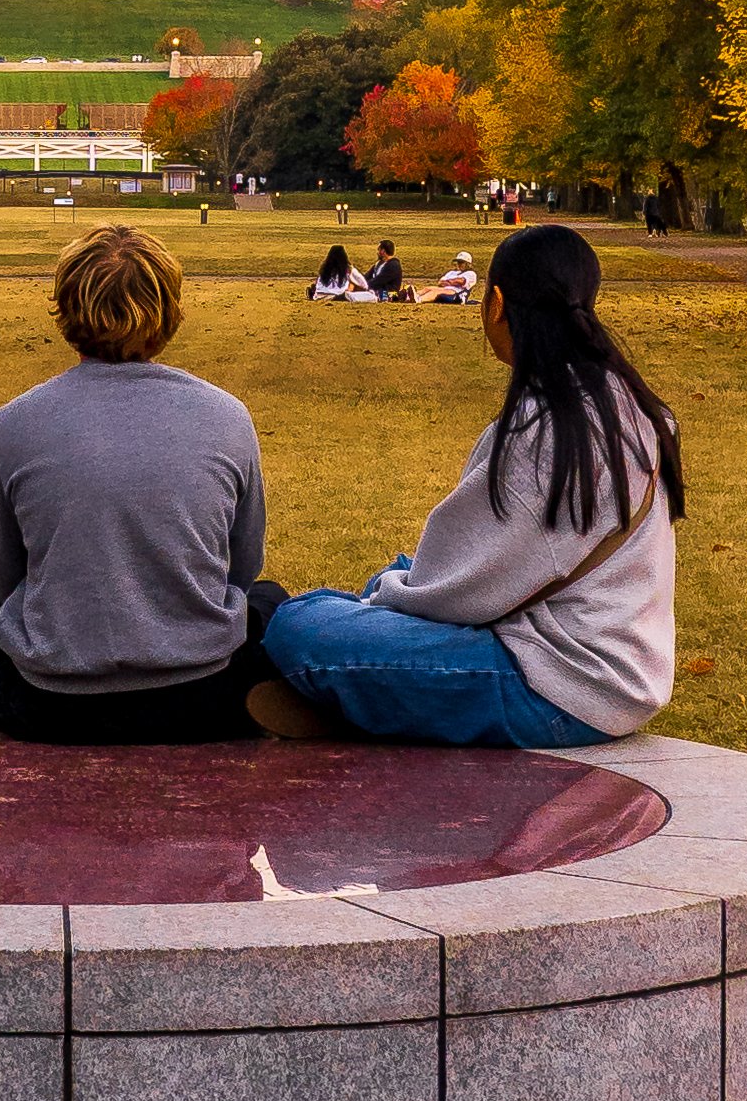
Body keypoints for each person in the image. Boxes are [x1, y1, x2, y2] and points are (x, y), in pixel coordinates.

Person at [250, 223, 682, 745]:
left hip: (556, 688)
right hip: (621, 668)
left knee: (298, 623)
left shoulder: (543, 430)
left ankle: (356, 697)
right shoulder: (634, 408)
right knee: (393, 574)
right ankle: (364, 688)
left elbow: (455, 593)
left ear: (495, 303)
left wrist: (368, 607)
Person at [0, 223, 286, 744]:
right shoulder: (228, 415)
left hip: (47, 705)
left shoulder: (17, 421)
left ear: (67, 309)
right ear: (169, 311)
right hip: (205, 696)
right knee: (270, 602)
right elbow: (243, 569)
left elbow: (0, 578)